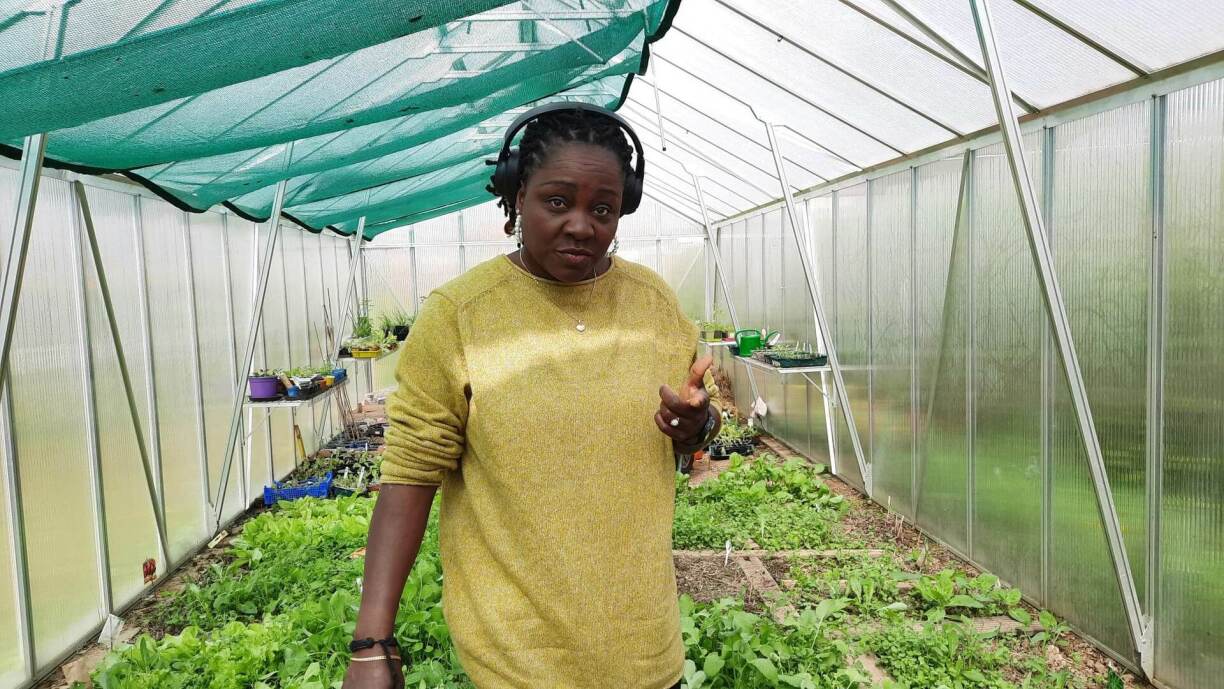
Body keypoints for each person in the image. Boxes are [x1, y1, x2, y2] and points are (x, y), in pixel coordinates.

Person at [342, 104, 721, 689]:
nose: (580, 224)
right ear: (518, 195)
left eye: (603, 208)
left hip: (644, 647)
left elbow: (701, 422)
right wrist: (371, 643)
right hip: (517, 656)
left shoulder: (654, 306)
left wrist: (696, 426)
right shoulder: (461, 315)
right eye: (557, 200)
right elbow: (410, 476)